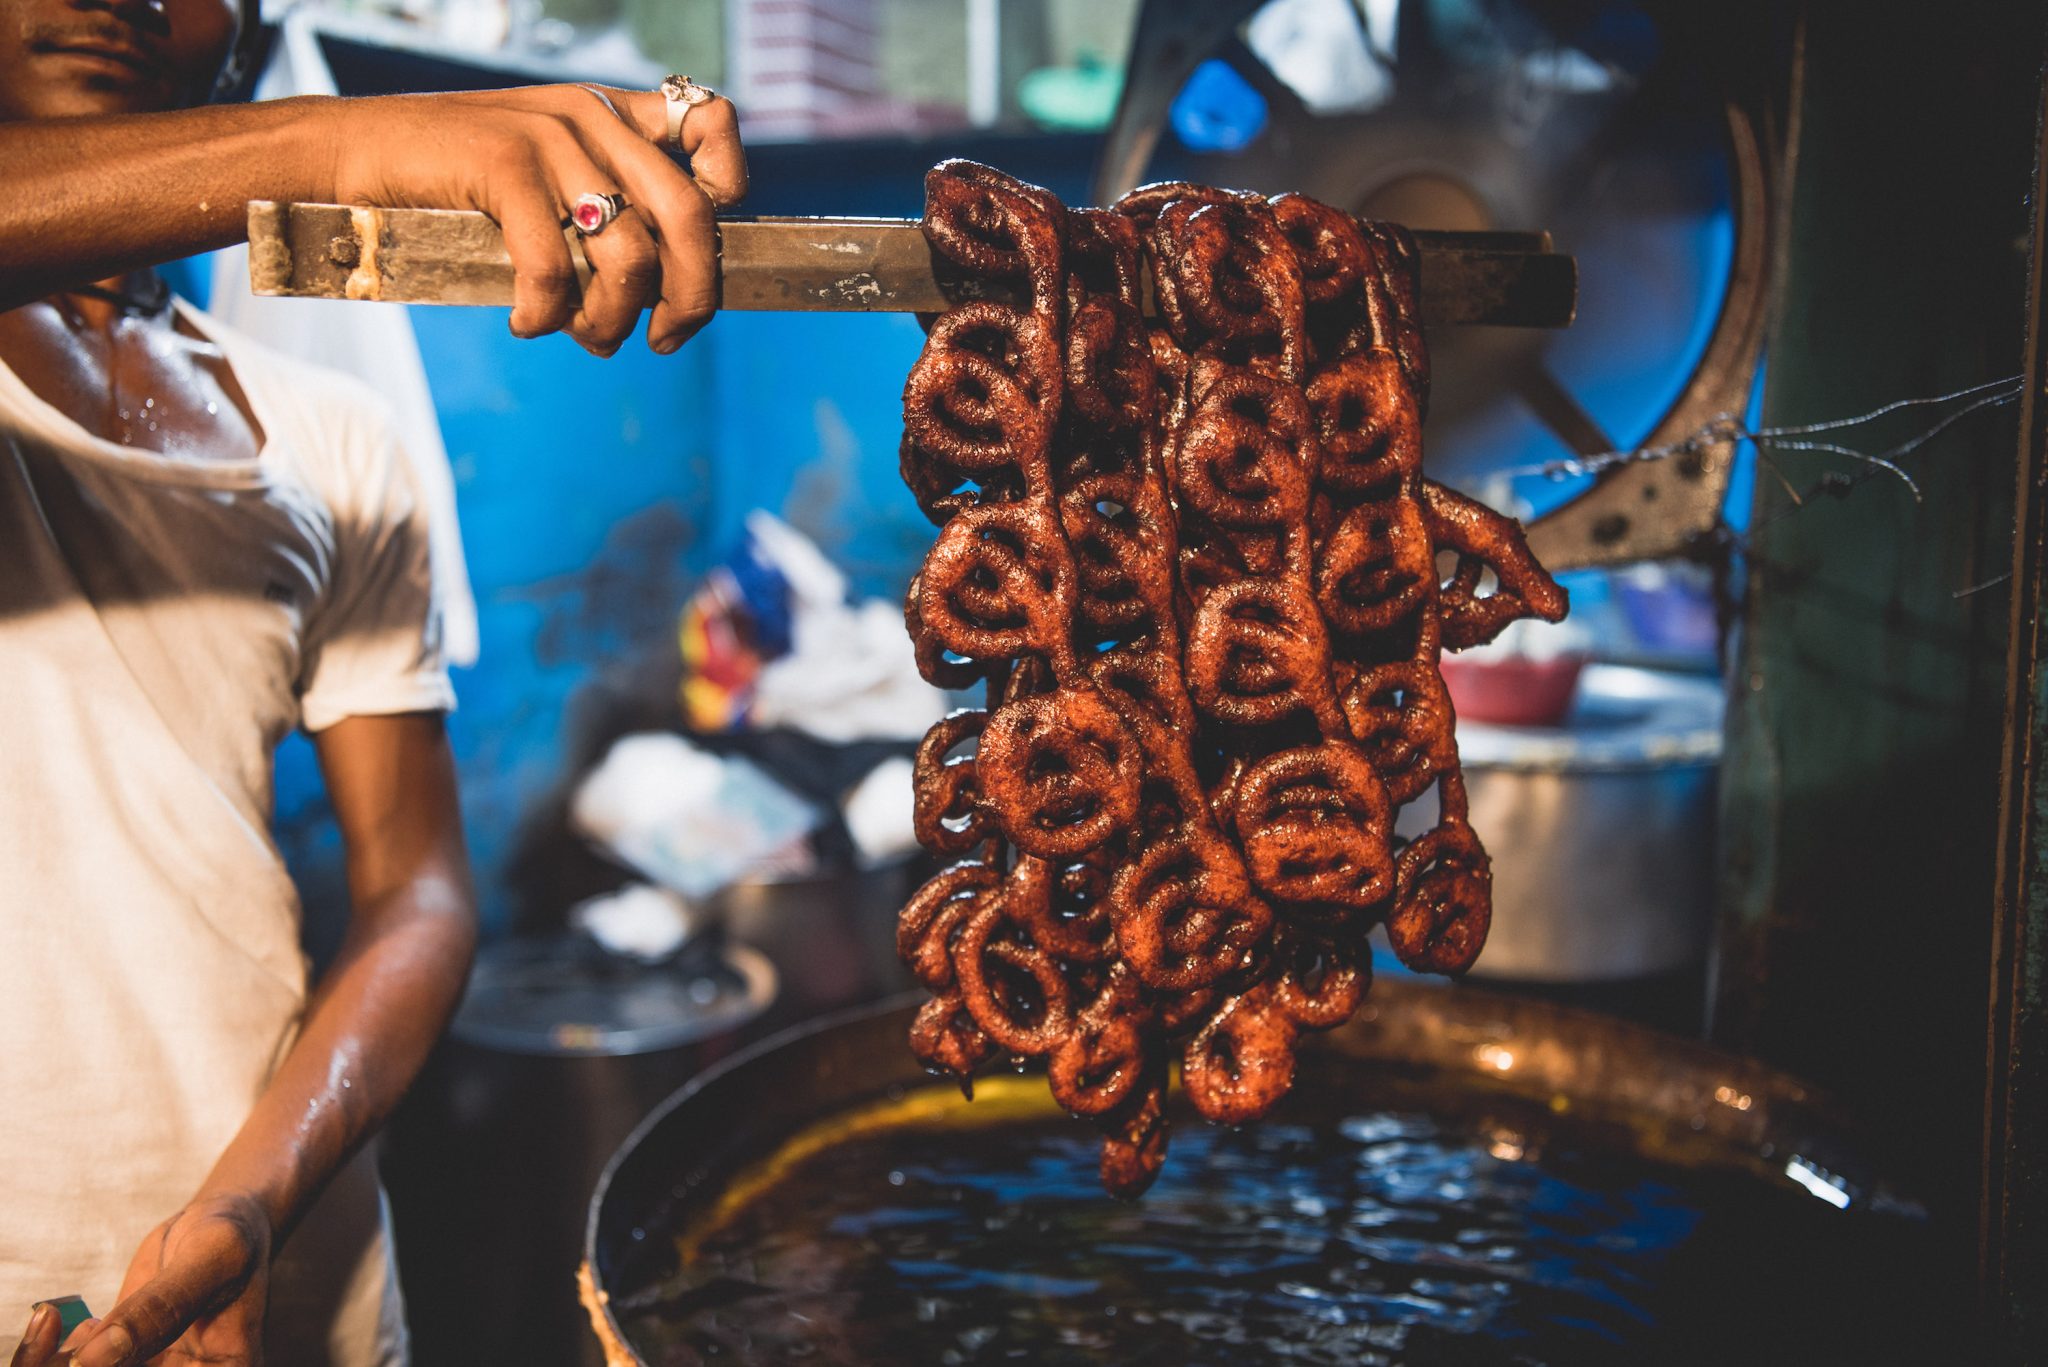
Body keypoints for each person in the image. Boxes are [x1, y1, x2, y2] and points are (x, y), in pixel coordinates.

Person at [0, 0, 747, 1363]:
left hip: (290, 1269)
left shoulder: (333, 434)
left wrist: (255, 1200)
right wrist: (339, 149)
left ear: (243, 35)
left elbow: (419, 888)